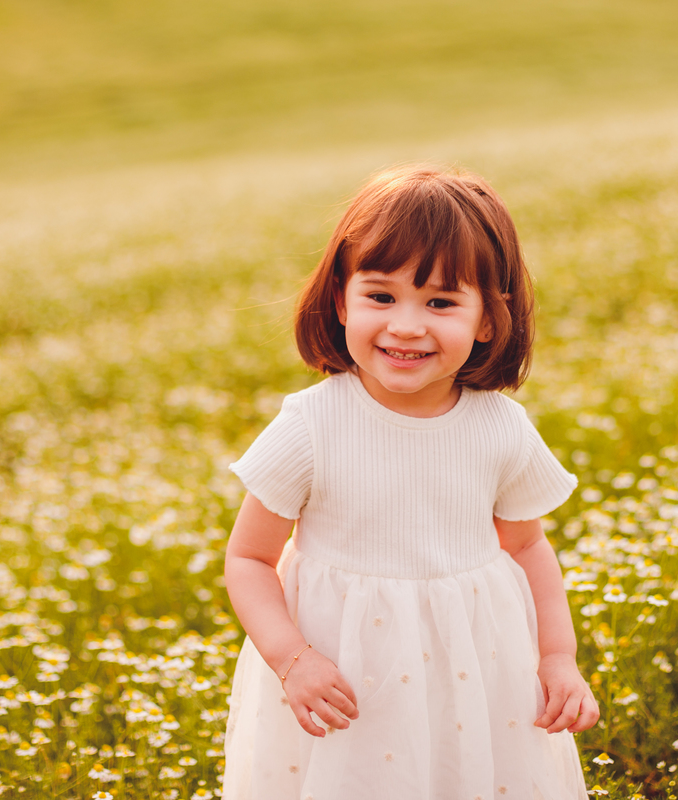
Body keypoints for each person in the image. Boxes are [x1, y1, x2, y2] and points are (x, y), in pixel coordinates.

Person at [221, 166, 599, 799]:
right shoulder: (312, 425)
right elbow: (250, 558)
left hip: (475, 668)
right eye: (381, 296)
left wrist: (558, 657)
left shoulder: (499, 426)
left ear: (488, 318)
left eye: (442, 303)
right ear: (341, 300)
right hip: (342, 674)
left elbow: (528, 547)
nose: (406, 325)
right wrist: (292, 659)